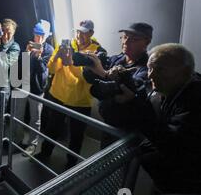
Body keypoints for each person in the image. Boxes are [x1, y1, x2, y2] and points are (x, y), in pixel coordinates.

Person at [37, 20, 106, 169]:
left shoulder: (97, 52)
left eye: (84, 32)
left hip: (80, 101)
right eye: (78, 31)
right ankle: (44, 153)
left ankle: (71, 164)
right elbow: (52, 69)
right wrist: (57, 57)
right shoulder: (67, 44)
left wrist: (69, 62)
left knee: (77, 135)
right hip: (58, 95)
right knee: (52, 128)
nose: (80, 35)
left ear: (91, 33)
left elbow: (85, 77)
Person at [136, 44, 201, 194]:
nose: (150, 75)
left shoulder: (195, 100)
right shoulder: (171, 87)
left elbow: (172, 143)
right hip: (165, 181)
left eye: (159, 69)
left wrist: (136, 108)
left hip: (187, 189)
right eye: (149, 68)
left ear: (184, 71)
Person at [83, 23, 153, 146]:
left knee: (123, 163)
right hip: (108, 123)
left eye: (134, 39)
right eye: (125, 37)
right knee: (105, 159)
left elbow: (129, 90)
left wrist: (103, 73)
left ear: (147, 42)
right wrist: (89, 65)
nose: (126, 42)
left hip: (128, 130)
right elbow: (92, 81)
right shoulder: (116, 59)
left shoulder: (148, 68)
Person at [20, 20, 54, 156]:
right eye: (36, 35)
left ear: (46, 36)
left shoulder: (49, 49)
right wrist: (27, 53)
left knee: (35, 118)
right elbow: (22, 64)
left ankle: (32, 144)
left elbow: (42, 69)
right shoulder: (29, 45)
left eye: (41, 35)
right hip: (23, 85)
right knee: (18, 114)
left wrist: (39, 56)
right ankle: (17, 140)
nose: (38, 38)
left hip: (37, 88)